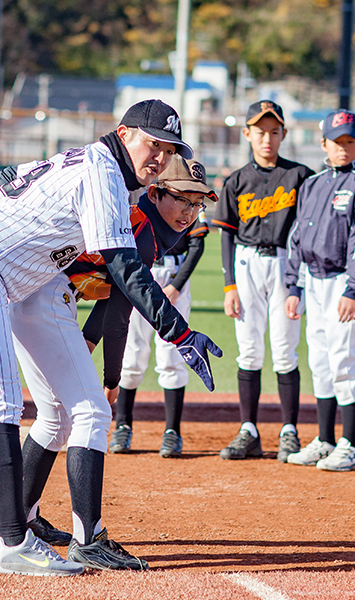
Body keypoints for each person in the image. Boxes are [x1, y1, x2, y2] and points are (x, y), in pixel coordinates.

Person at [0, 99, 221, 576]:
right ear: (124, 133)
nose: (160, 157)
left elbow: (14, 181)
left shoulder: (95, 166)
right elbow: (126, 271)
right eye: (154, 145)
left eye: (169, 151)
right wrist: (179, 333)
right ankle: (16, 544)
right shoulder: (103, 172)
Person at [12, 155, 215, 566]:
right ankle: (88, 539)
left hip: (37, 296)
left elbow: (113, 302)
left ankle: (21, 520)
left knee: (55, 416)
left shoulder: (145, 225)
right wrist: (111, 379)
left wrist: (87, 342)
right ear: (154, 193)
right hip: (46, 297)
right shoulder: (140, 226)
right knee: (91, 413)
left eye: (197, 203)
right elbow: (121, 314)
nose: (190, 211)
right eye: (181, 198)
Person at [211, 101, 314, 462]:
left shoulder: (301, 176)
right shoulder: (237, 180)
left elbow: (307, 230)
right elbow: (226, 234)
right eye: (259, 131)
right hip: (247, 262)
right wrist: (229, 285)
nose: (267, 138)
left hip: (286, 261)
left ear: (284, 134)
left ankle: (289, 430)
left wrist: (298, 282)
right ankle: (249, 430)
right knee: (250, 348)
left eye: (274, 131)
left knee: (285, 350)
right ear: (247, 134)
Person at [284, 109, 355, 471]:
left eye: (350, 141)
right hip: (313, 280)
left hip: (344, 281)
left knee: (344, 358)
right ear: (323, 142)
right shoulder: (312, 183)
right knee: (320, 359)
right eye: (336, 141)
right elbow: (297, 236)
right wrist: (293, 285)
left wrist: (353, 288)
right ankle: (325, 439)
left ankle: (351, 444)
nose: (343, 147)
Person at [110, 166, 213, 458]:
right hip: (142, 273)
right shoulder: (150, 200)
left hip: (173, 276)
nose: (190, 204)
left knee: (173, 356)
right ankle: (123, 424)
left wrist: (176, 286)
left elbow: (196, 247)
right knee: (133, 352)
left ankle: (172, 431)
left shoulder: (191, 208)